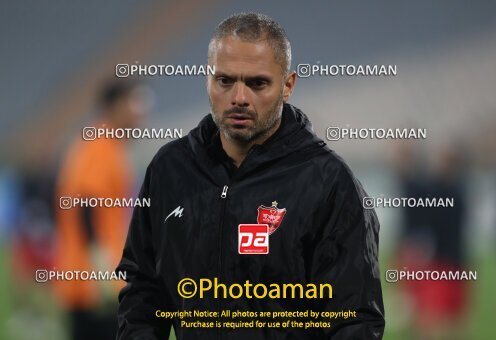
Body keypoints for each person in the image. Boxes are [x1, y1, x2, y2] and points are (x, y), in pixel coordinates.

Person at [117, 12, 385, 339]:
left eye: (257, 83)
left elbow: (354, 322)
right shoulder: (170, 168)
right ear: (207, 79)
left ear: (287, 85)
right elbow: (143, 291)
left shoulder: (330, 182)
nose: (239, 98)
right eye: (225, 80)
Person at [54, 80, 148, 340]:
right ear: (115, 107)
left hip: (91, 279)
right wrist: (101, 268)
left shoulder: (104, 145)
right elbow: (85, 205)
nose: (141, 111)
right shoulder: (100, 146)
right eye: (135, 103)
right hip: (94, 284)